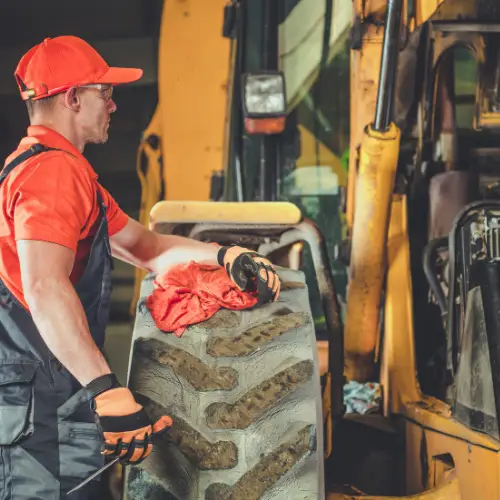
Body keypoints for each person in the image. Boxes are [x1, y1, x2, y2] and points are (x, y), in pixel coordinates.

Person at [0, 35, 281, 500]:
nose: (112, 105)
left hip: (47, 397)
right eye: (103, 92)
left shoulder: (59, 173)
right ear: (71, 97)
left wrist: (223, 255)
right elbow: (45, 285)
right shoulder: (53, 175)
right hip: (41, 408)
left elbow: (147, 248)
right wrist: (105, 389)